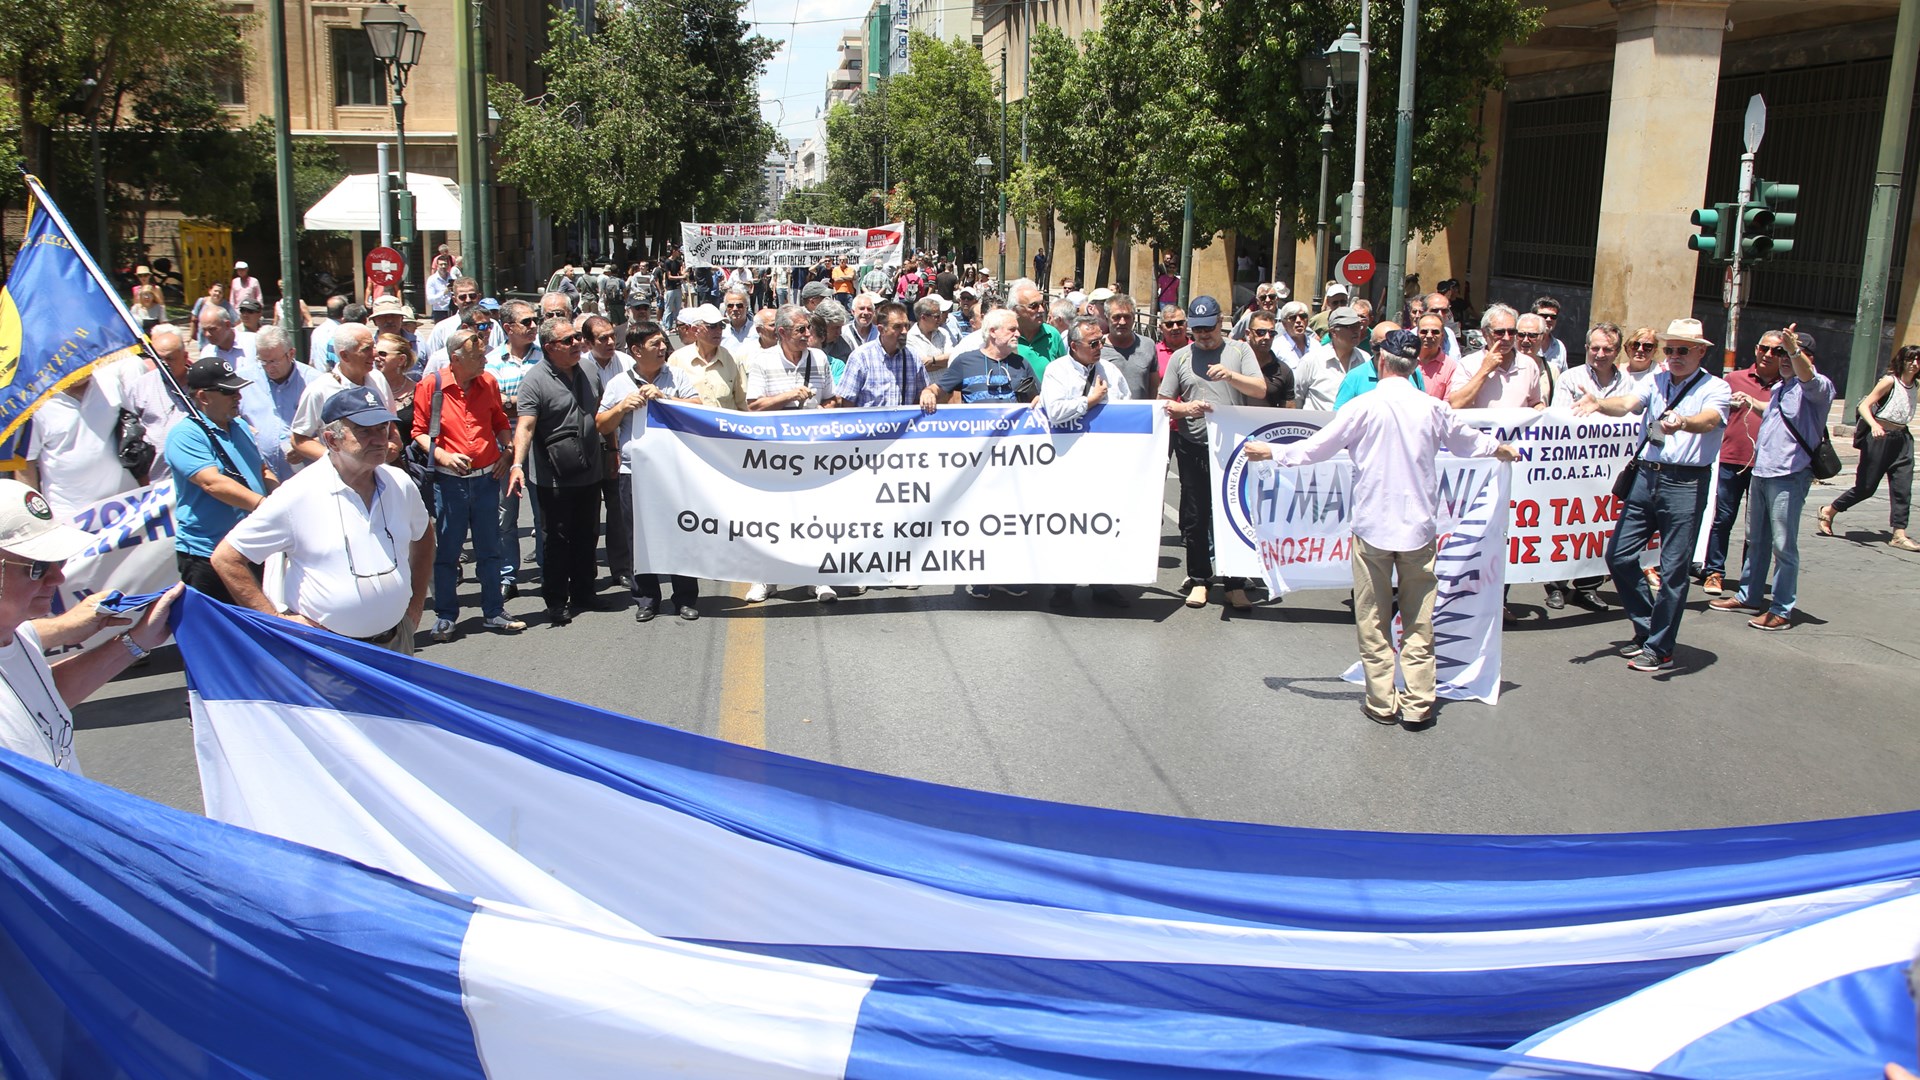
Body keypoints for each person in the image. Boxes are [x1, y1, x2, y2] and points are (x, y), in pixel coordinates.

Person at [1244, 354, 1516, 727]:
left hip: (1374, 528)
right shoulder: (1432, 407)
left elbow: (1316, 448)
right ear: (1412, 366)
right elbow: (1468, 441)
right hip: (1418, 528)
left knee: (1373, 617)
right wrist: (1499, 449)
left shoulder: (1364, 406)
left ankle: (1382, 700)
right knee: (1419, 617)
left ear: (1382, 363)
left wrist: (1273, 451)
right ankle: (1418, 702)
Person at [212, 386, 433, 653]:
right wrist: (276, 622)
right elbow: (226, 557)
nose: (379, 439)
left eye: (382, 427)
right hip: (331, 653)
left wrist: (415, 605)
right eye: (364, 431)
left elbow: (423, 536)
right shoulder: (298, 494)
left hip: (397, 641)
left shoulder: (399, 482)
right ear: (332, 440)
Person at [1573, 318, 1731, 673]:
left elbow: (1709, 420)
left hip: (1686, 482)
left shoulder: (1715, 387)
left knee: (1674, 569)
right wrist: (1599, 403)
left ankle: (1660, 648)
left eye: (1683, 350)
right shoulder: (1658, 380)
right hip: (1647, 475)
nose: (1674, 356)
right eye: (1670, 349)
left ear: (1701, 352)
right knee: (1619, 556)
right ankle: (1647, 629)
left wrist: (1684, 423)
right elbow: (1628, 402)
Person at [0, 479, 184, 772]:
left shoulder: (15, 635)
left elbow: (43, 704)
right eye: (37, 567)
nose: (57, 578)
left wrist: (136, 640)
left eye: (57, 561)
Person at [1707, 326, 1832, 631]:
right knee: (1757, 539)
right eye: (1777, 352)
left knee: (1783, 545)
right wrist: (1752, 402)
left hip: (1788, 475)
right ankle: (1749, 594)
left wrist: (1794, 351)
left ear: (1806, 356)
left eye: (1785, 352)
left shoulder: (1817, 387)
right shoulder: (1782, 387)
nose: (1780, 357)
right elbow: (1775, 412)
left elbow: (1808, 378)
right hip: (1762, 470)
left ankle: (1781, 608)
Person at [413, 329, 524, 641]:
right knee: (448, 551)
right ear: (455, 359)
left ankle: (494, 611)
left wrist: (508, 451)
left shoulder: (487, 381)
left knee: (490, 548)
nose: (484, 360)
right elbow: (419, 431)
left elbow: (500, 422)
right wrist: (443, 457)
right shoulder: (432, 385)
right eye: (477, 356)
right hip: (451, 484)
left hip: (488, 479)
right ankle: (446, 616)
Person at [1157, 295, 1264, 611]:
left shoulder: (1239, 351)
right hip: (1194, 446)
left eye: (1209, 329)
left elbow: (1259, 390)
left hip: (1233, 449)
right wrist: (1185, 408)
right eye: (1197, 329)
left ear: (1221, 323)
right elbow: (1164, 403)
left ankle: (1234, 583)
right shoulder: (1180, 357)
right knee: (1196, 514)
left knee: (1232, 515)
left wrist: (1231, 376)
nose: (1203, 335)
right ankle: (1200, 579)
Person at [599, 321, 700, 622]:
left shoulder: (677, 376)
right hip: (635, 471)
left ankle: (684, 597)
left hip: (672, 470)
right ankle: (646, 598)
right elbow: (601, 425)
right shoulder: (618, 383)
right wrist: (621, 407)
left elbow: (697, 408)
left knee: (680, 532)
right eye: (655, 343)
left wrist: (666, 399)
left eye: (662, 343)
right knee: (637, 538)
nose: (663, 348)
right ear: (635, 350)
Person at [505, 318, 605, 625]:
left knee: (587, 533)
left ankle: (585, 592)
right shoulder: (534, 381)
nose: (577, 343)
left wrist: (611, 454)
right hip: (553, 476)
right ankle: (557, 600)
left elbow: (601, 413)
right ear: (549, 347)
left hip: (590, 470)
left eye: (577, 338)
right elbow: (526, 425)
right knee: (557, 539)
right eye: (568, 340)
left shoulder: (589, 370)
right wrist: (517, 465)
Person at [742, 305, 842, 605]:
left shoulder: (819, 358)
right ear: (782, 332)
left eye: (808, 329)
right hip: (774, 454)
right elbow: (754, 406)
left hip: (813, 452)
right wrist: (790, 396)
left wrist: (822, 414)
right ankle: (764, 578)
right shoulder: (763, 361)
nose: (807, 334)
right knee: (771, 517)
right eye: (801, 330)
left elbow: (832, 398)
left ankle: (817, 577)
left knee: (815, 515)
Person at [165, 356, 277, 604]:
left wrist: (282, 497)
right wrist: (266, 507)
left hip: (249, 547)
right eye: (229, 392)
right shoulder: (185, 435)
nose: (238, 397)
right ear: (204, 397)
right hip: (207, 554)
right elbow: (212, 483)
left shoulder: (240, 427)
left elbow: (261, 470)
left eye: (237, 390)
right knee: (216, 633)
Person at [1040, 317, 1134, 609]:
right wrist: (1089, 401)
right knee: (1069, 524)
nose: (1099, 347)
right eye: (1093, 344)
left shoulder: (1111, 370)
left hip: (1102, 462)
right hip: (1067, 461)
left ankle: (1103, 583)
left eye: (1101, 341)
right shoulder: (1057, 371)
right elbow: (1054, 411)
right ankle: (1063, 586)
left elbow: (1127, 407)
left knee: (1102, 522)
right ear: (1074, 346)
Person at [1695, 329, 1787, 597]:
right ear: (1756, 349)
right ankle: (1713, 571)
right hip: (1732, 458)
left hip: (1768, 465)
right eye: (1764, 348)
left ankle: (1750, 578)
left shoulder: (1787, 384)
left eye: (1777, 351)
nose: (1769, 355)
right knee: (1723, 517)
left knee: (1757, 526)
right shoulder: (1733, 379)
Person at [1821, 343, 1918, 551]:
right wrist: (1874, 425)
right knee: (1866, 487)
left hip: (1902, 438)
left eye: (1918, 360)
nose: (1914, 364)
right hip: (1880, 437)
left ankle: (1899, 534)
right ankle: (1830, 510)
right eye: (1910, 359)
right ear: (1902, 361)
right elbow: (1864, 406)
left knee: (1903, 488)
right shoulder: (1890, 381)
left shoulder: (1915, 385)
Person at [20, 370, 136, 519]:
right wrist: (36, 518)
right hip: (69, 514)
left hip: (126, 504)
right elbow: (25, 464)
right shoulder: (35, 404)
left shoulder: (110, 382)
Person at [288, 323, 395, 466]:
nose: (375, 354)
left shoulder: (378, 378)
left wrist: (395, 442)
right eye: (366, 349)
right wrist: (338, 461)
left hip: (381, 472)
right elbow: (298, 439)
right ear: (345, 355)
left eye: (373, 346)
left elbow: (390, 422)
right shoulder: (320, 390)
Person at [1449, 304, 1544, 411]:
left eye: (1512, 332)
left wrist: (1542, 409)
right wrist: (1484, 370)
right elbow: (1456, 404)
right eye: (1500, 332)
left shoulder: (1528, 364)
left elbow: (1534, 403)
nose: (1507, 338)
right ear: (1485, 333)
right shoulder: (1468, 364)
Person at [837, 300, 928, 408]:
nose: (904, 331)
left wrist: (928, 393)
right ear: (881, 329)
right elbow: (847, 401)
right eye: (897, 327)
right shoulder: (861, 357)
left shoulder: (912, 357)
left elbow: (923, 393)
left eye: (907, 326)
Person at [668, 304, 744, 411]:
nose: (718, 330)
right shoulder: (677, 359)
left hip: (723, 425)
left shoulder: (732, 359)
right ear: (695, 330)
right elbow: (667, 401)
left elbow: (742, 403)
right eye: (712, 326)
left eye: (721, 326)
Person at [1293, 307, 1371, 410]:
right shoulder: (1311, 360)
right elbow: (1297, 399)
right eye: (1350, 327)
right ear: (1334, 332)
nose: (1356, 331)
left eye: (1357, 326)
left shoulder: (1365, 359)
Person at [1008, 279, 1066, 382]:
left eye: (1042, 304)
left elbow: (1066, 372)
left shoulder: (1052, 335)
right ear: (1015, 310)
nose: (1041, 310)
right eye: (1034, 306)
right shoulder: (1005, 337)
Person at [1101, 294, 1157, 400]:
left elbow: (1154, 388)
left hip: (1140, 414)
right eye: (1116, 317)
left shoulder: (1148, 345)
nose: (1122, 322)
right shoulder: (1096, 348)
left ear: (1134, 318)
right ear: (1106, 318)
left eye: (1127, 317)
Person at [1244, 310, 1296, 407]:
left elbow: (1289, 411)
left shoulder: (1284, 371)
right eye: (1261, 332)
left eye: (1272, 333)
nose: (1267, 337)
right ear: (1248, 333)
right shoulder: (1234, 363)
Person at [1411, 313, 1460, 401]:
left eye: (1435, 332)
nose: (1429, 335)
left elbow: (1448, 404)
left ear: (1442, 336)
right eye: (1424, 331)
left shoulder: (1451, 367)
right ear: (1417, 334)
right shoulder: (1404, 361)